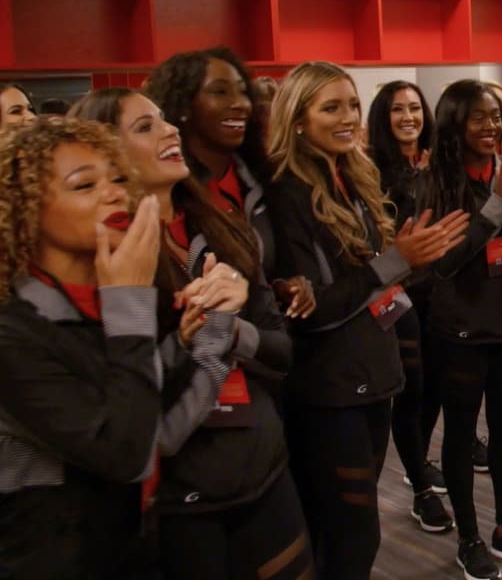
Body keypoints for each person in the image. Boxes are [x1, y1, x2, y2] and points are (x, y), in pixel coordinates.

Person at [70, 87, 314, 579]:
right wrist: (192, 338)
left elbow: (282, 350)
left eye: (165, 120)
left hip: (265, 469)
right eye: (146, 126)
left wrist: (231, 327)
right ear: (104, 154)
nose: (171, 130)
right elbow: (120, 401)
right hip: (179, 501)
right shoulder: (100, 260)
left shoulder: (227, 229)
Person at [266, 61, 466, 580]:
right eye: (331, 107)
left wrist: (401, 261)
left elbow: (366, 284)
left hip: (372, 379)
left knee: (347, 532)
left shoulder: (350, 176)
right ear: (298, 119)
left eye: (352, 104)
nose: (348, 116)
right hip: (330, 391)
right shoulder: (287, 193)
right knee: (352, 536)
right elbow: (315, 310)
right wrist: (398, 260)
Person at [0, 118, 162, 577]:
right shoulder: (12, 333)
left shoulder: (116, 293)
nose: (114, 193)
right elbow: (125, 453)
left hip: (135, 546)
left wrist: (212, 327)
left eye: (116, 178)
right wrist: (132, 305)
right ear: (27, 208)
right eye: (84, 184)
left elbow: (157, 423)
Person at [420, 78, 502, 580]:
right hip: (460, 334)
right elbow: (445, 263)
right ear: (456, 121)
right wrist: (495, 206)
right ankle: (469, 538)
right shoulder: (435, 179)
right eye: (479, 116)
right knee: (459, 434)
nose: (492, 125)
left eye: (497, 115)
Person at [146, 48, 314, 325]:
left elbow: (264, 272)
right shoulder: (170, 191)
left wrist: (283, 287)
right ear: (184, 106)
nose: (239, 103)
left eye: (242, 92)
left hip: (273, 348)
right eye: (220, 92)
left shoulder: (265, 181)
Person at [365, 80, 455, 533]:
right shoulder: (371, 171)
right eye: (398, 109)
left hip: (437, 290)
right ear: (384, 117)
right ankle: (421, 488)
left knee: (435, 386)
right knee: (412, 390)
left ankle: (418, 459)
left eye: (415, 108)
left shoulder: (436, 165)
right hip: (394, 297)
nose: (408, 117)